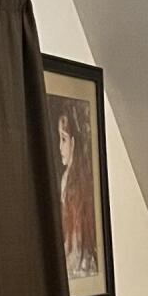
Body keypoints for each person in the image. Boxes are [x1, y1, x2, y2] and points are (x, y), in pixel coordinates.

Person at [55, 101, 98, 280]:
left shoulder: (74, 182)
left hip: (78, 262)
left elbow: (72, 241)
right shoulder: (72, 179)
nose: (60, 147)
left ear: (73, 142)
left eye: (63, 139)